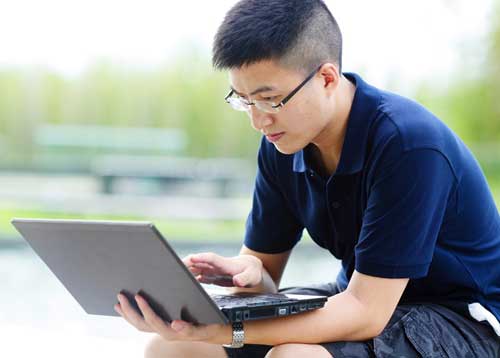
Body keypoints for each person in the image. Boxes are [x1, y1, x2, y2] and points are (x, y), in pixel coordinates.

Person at [114, 0, 500, 356]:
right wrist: (247, 276)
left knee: (293, 356)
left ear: (327, 78)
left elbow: (367, 312)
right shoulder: (282, 144)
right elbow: (266, 277)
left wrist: (222, 330)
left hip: (466, 320)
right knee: (171, 349)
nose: (257, 119)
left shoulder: (408, 145)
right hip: (356, 296)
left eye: (270, 99)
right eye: (243, 99)